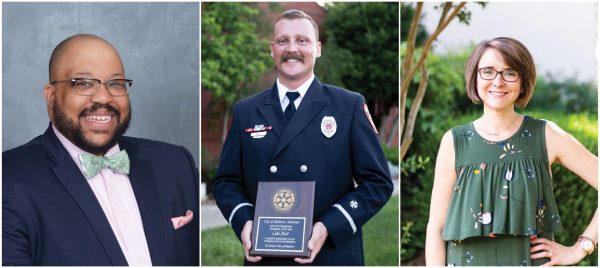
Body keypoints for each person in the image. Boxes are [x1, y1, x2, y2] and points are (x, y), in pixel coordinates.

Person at [212, 9, 393, 265]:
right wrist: (245, 222)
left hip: (331, 254)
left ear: (318, 48)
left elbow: (378, 182)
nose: (292, 48)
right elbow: (226, 182)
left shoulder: (348, 106)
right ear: (271, 49)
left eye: (302, 40)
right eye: (283, 41)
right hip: (266, 256)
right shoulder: (245, 111)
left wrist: (329, 225)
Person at [2, 34, 199, 266]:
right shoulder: (9, 178)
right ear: (51, 96)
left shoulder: (175, 163)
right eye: (84, 83)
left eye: (115, 84)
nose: (104, 97)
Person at [425, 37, 598, 266]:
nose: (498, 81)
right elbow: (436, 226)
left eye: (510, 73)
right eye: (488, 71)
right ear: (475, 77)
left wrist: (581, 247)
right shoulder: (455, 141)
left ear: (523, 82)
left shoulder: (545, 135)